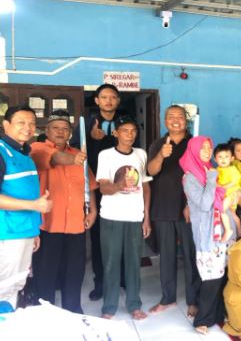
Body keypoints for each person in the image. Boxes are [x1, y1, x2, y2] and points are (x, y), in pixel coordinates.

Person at [30, 110, 98, 313]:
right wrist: (74, 159)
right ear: (46, 130)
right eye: (56, 128)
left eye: (65, 128)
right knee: (46, 272)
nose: (60, 132)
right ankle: (45, 313)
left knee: (75, 271)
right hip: (48, 224)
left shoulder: (78, 154)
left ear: (70, 132)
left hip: (76, 224)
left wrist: (93, 210)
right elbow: (55, 158)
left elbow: (89, 186)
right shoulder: (37, 148)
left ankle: (73, 310)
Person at [71, 83, 124, 301]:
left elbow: (131, 149)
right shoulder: (86, 124)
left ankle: (122, 278)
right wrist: (92, 139)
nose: (108, 101)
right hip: (96, 189)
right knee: (99, 238)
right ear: (97, 101)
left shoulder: (125, 122)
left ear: (118, 100)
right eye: (104, 97)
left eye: (113, 97)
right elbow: (74, 151)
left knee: (121, 235)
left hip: (122, 187)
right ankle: (100, 281)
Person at [96, 116, 151, 320]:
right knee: (111, 262)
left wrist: (146, 217)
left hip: (135, 216)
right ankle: (109, 307)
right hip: (111, 216)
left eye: (133, 131)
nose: (130, 134)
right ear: (115, 133)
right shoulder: (106, 155)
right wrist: (120, 185)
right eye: (125, 130)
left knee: (133, 263)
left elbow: (145, 187)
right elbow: (103, 188)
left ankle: (134, 305)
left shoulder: (141, 154)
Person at [180, 136, 236, 334]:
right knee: (211, 277)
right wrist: (212, 178)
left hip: (222, 231)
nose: (207, 150)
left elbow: (221, 198)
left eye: (209, 147)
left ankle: (217, 315)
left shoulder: (208, 170)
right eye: (202, 147)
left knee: (222, 276)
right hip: (207, 234)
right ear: (193, 150)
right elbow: (205, 204)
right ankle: (202, 320)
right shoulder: (190, 177)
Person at [146, 105, 198, 318]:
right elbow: (151, 170)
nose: (175, 120)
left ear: (186, 120)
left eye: (180, 116)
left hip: (189, 207)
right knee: (166, 256)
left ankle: (193, 300)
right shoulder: (157, 144)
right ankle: (168, 298)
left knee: (190, 255)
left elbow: (201, 175)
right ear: (164, 120)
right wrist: (161, 155)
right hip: (163, 206)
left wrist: (191, 203)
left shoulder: (195, 143)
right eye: (171, 117)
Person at [0, 105, 52, 310]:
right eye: (21, 122)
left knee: (17, 282)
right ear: (6, 125)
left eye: (32, 123)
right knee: (5, 286)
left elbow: (26, 192)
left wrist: (34, 231)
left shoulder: (25, 154)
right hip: (8, 233)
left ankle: (8, 320)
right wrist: (33, 205)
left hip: (25, 230)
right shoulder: (2, 152)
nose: (28, 127)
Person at [213, 143, 241, 241]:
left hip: (231, 195)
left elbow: (235, 181)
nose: (223, 159)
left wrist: (223, 187)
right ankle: (240, 230)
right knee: (233, 214)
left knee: (221, 209)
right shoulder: (216, 170)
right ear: (215, 159)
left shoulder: (232, 169)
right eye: (220, 157)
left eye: (226, 157)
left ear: (231, 158)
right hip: (225, 196)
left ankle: (228, 230)